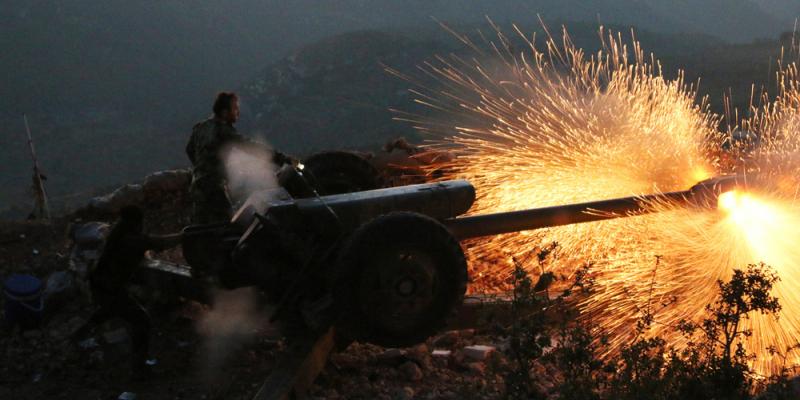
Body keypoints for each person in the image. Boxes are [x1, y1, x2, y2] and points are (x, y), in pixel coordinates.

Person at [73, 206, 182, 377]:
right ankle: (139, 370)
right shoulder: (132, 240)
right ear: (136, 222)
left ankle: (79, 334)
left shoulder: (117, 234)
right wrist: (184, 235)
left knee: (110, 309)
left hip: (101, 287)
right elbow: (159, 243)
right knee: (142, 320)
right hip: (110, 289)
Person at [186, 92, 293, 224]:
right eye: (235, 108)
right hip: (213, 188)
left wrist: (202, 168)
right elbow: (249, 146)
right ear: (225, 112)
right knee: (228, 227)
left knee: (202, 228)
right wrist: (282, 158)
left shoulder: (200, 128)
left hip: (197, 186)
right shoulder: (223, 130)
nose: (238, 112)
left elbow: (189, 150)